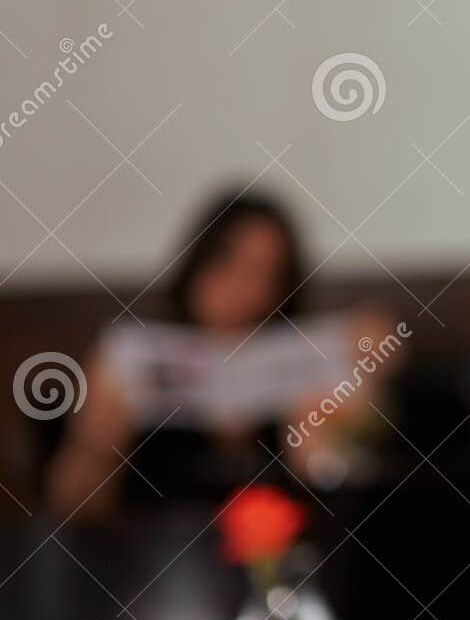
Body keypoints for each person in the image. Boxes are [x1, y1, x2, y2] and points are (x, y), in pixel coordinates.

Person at [47, 189, 394, 519]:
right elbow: (72, 512)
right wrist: (95, 447)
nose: (246, 288)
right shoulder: (130, 363)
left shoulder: (307, 368)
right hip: (154, 569)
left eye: (266, 274)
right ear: (198, 263)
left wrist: (328, 438)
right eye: (229, 263)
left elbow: (341, 514)